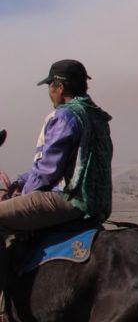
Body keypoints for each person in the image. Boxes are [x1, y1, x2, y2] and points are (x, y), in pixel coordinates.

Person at [0, 60, 114, 243]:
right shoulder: (97, 116)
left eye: (49, 86)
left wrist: (24, 193)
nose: (49, 93)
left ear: (59, 87)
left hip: (70, 200)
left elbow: (47, 170)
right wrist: (20, 181)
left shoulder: (64, 116)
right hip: (99, 203)